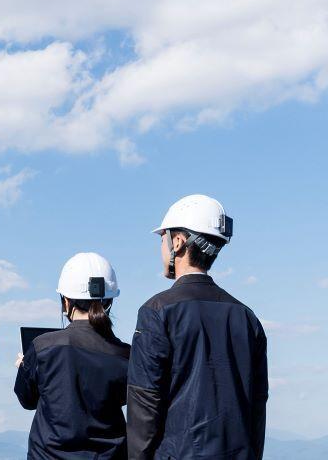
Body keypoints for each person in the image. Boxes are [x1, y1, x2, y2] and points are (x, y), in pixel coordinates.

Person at [127, 195, 268, 459]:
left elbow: (144, 404)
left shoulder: (156, 311)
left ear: (177, 242)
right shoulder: (248, 318)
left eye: (163, 239)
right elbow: (257, 404)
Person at [14, 252, 131, 459]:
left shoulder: (42, 347)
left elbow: (27, 400)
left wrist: (24, 368)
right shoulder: (125, 355)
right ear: (109, 302)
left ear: (65, 301)